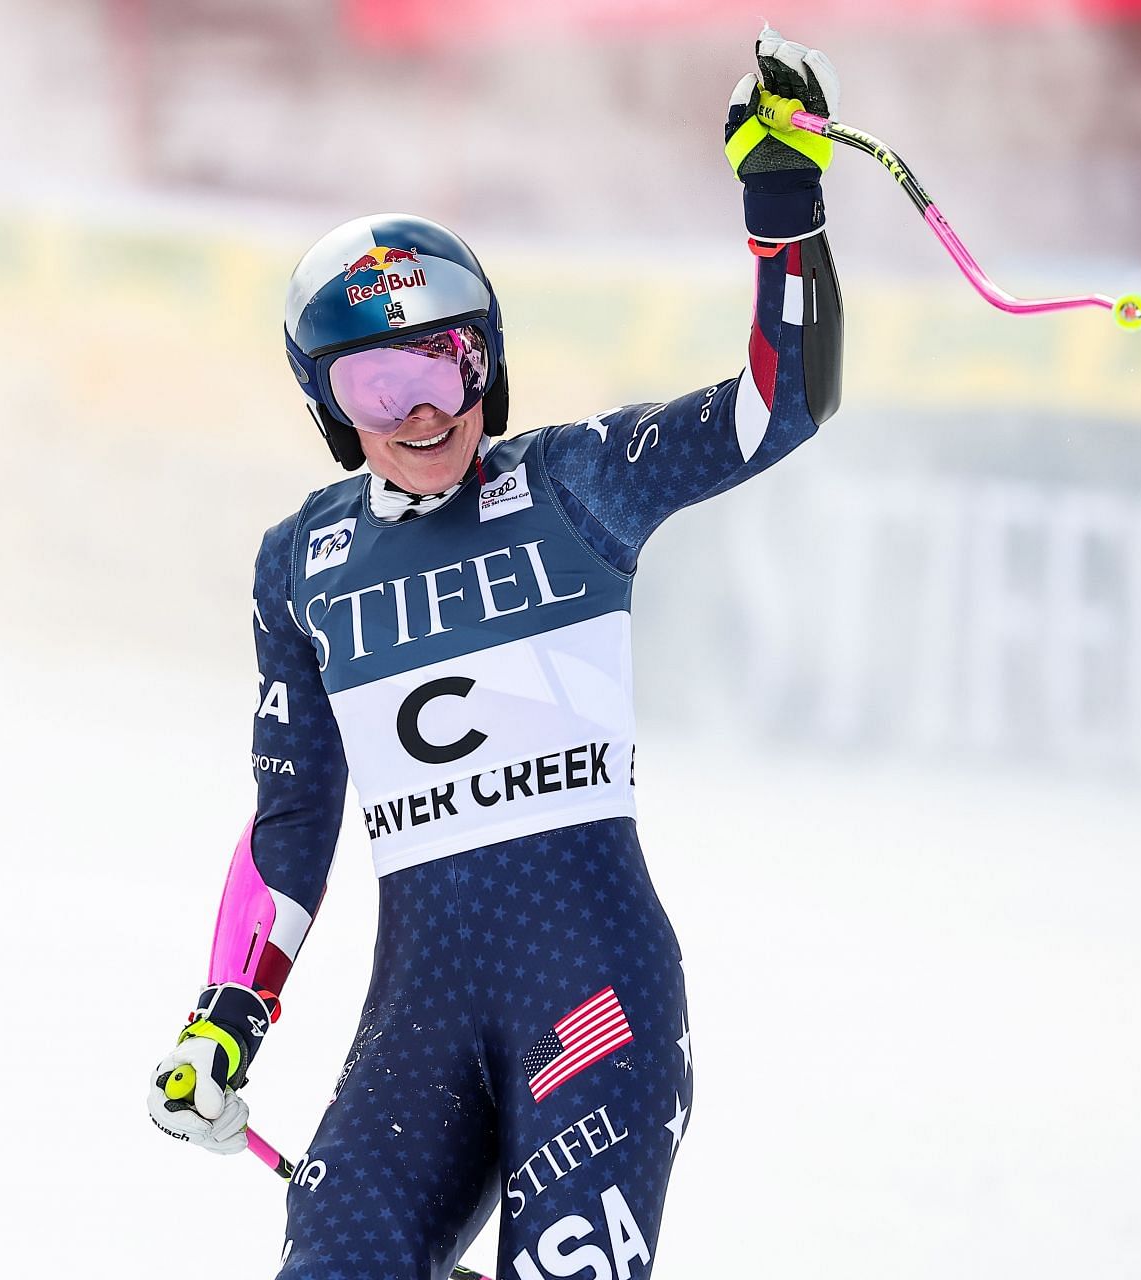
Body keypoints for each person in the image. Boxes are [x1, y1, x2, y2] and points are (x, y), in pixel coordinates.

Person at [148, 27, 845, 1280]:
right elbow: (291, 821)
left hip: (592, 1007)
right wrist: (228, 1016)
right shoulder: (298, 563)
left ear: (492, 363)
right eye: (377, 386)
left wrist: (782, 198)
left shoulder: (579, 481)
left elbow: (775, 406)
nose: (423, 411)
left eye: (448, 364)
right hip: (418, 1028)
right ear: (326, 406)